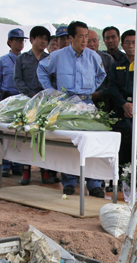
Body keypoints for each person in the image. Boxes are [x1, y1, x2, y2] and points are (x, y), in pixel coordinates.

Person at [37, 21, 107, 197]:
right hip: (66, 103)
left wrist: (90, 88)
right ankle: (69, 182)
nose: (85, 40)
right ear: (71, 38)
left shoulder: (93, 56)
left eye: (86, 36)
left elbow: (101, 74)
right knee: (70, 145)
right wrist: (51, 91)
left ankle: (94, 183)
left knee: (92, 144)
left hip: (87, 104)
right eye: (81, 36)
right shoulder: (58, 56)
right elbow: (41, 69)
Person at [14, 25, 52, 186]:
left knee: (44, 135)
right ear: (31, 40)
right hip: (27, 102)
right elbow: (17, 80)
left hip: (45, 103)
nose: (44, 42)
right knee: (26, 136)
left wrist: (46, 95)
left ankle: (45, 170)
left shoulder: (49, 59)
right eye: (41, 38)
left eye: (46, 39)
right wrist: (31, 95)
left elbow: (53, 80)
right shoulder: (22, 59)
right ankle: (25, 170)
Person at [108, 29, 137, 171]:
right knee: (123, 146)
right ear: (122, 45)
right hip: (122, 111)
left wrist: (135, 106)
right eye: (127, 43)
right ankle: (121, 178)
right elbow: (111, 88)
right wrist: (124, 105)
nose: (131, 45)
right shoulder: (116, 65)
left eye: (134, 42)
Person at [0, 27, 27, 177]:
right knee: (5, 134)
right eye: (17, 41)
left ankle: (18, 163)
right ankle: (5, 164)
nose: (20, 43)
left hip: (22, 100)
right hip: (6, 99)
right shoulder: (1, 61)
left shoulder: (26, 60)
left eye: (22, 41)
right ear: (9, 42)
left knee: (20, 133)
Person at [87, 29, 114, 109]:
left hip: (103, 102)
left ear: (98, 42)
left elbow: (112, 83)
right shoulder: (78, 59)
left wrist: (99, 94)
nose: (92, 44)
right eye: (88, 41)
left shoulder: (107, 59)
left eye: (94, 41)